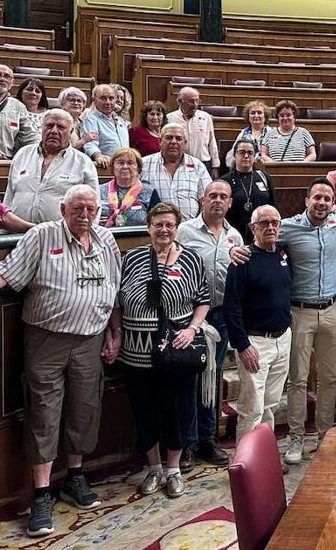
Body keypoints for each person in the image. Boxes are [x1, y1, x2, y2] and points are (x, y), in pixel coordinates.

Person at [0, 185, 122, 537]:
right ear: (63, 208)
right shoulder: (42, 236)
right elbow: (3, 274)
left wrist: (115, 331)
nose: (85, 215)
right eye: (78, 208)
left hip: (91, 340)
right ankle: (42, 494)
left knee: (84, 409)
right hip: (47, 340)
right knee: (44, 414)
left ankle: (74, 479)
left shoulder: (106, 240)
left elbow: (114, 290)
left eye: (91, 209)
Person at [109, 203, 209, 500]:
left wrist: (192, 329)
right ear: (149, 227)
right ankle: (153, 467)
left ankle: (173, 469)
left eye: (169, 225)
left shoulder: (191, 259)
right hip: (136, 350)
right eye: (158, 224)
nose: (163, 230)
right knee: (144, 410)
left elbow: (203, 300)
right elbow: (116, 300)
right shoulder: (131, 257)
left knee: (175, 410)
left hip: (175, 350)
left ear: (177, 228)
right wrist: (116, 332)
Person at [178, 181, 249, 466]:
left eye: (223, 197)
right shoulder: (185, 231)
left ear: (230, 203)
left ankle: (208, 438)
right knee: (191, 379)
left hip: (221, 316)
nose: (218, 201)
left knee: (212, 377)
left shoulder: (236, 236)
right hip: (191, 316)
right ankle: (188, 442)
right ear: (202, 200)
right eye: (212, 196)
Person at [281, 179, 336, 464]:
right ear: (307, 199)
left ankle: (324, 435)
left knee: (329, 378)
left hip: (331, 310)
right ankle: (296, 437)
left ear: (333, 204)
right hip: (300, 311)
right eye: (317, 197)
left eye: (327, 199)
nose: (321, 203)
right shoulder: (287, 227)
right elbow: (260, 239)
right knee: (297, 379)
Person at [224, 204, 293, 435]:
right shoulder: (242, 260)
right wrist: (243, 346)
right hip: (255, 343)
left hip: (282, 339)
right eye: (264, 224)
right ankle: (246, 465)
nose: (271, 227)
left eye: (275, 223)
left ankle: (265, 456)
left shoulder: (283, 252)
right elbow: (231, 307)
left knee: (269, 405)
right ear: (253, 227)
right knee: (251, 408)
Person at [3, 109, 99, 224]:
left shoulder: (83, 163)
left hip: (62, 238)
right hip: (18, 235)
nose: (54, 131)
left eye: (61, 127)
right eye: (49, 126)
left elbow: (94, 205)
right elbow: (9, 197)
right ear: (41, 128)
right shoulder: (22, 154)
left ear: (71, 131)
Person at [142, 124, 212, 220]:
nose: (174, 142)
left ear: (185, 143)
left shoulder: (198, 166)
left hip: (190, 229)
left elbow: (207, 201)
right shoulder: (143, 164)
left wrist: (198, 226)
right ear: (160, 141)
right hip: (155, 229)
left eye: (178, 139)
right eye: (169, 138)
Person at [222, 137, 276, 240]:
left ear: (255, 156)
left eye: (250, 153)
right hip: (234, 235)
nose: (246, 156)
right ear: (234, 155)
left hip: (261, 234)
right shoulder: (225, 181)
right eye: (242, 152)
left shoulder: (263, 177)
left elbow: (273, 206)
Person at [99, 147, 161, 227]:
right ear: (112, 167)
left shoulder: (149, 192)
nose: (125, 166)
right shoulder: (99, 191)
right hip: (105, 237)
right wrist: (95, 221)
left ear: (138, 168)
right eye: (120, 163)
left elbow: (159, 220)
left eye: (130, 163)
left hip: (140, 238)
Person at [167, 87, 220, 177]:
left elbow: (212, 141)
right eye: (191, 101)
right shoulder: (170, 118)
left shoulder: (206, 117)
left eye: (197, 100)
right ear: (180, 101)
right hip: (180, 163)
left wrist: (215, 166)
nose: (195, 104)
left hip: (203, 162)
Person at [81, 84, 131, 168]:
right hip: (107, 167)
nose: (108, 102)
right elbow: (90, 144)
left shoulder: (121, 121)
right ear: (94, 100)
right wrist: (98, 156)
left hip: (124, 165)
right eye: (103, 98)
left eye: (111, 98)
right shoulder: (91, 119)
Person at [58, 87, 95, 151]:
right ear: (62, 104)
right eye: (72, 100)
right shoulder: (60, 121)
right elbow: (66, 149)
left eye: (79, 101)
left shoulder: (81, 121)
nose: (76, 103)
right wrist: (84, 140)